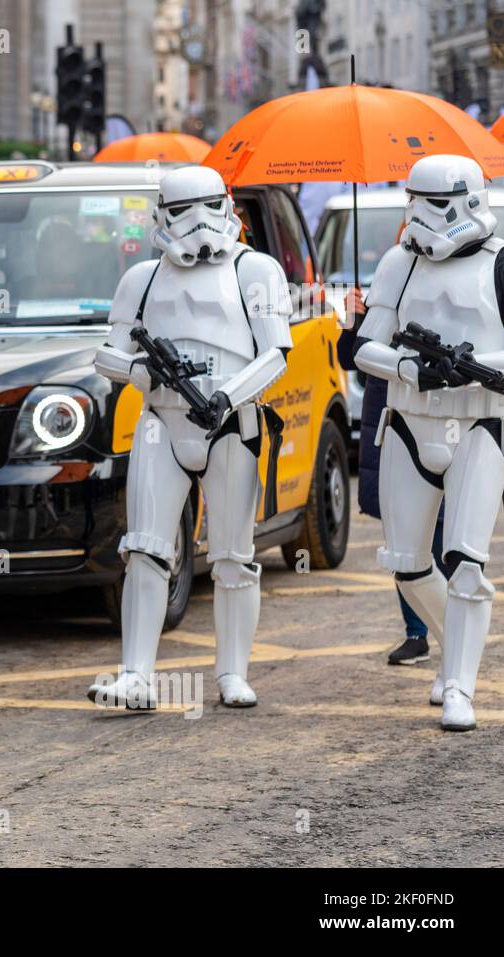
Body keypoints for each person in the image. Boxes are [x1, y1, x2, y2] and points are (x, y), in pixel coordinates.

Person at [89, 165, 292, 710]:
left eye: (207, 206)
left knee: (233, 557)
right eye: (182, 210)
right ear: (161, 214)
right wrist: (141, 373)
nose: (197, 223)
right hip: (163, 418)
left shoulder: (256, 270)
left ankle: (232, 672)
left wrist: (228, 396)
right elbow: (107, 352)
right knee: (147, 550)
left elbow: (276, 355)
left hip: (231, 421)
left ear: (226, 206)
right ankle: (136, 674)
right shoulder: (143, 279)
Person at [354, 154, 504, 732]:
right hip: (410, 422)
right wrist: (412, 368)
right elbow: (365, 347)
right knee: (410, 566)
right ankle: (451, 648)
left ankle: (461, 688)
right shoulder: (399, 263)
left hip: (478, 426)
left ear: (468, 200)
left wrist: (468, 370)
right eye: (412, 202)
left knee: (467, 563)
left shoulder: (497, 265)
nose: (420, 216)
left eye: (432, 205)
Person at [338, 286, 447, 668]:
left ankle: (453, 629)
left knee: (446, 532)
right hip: (390, 422)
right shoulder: (387, 287)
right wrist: (353, 322)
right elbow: (350, 358)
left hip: (443, 420)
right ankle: (416, 633)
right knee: (404, 536)